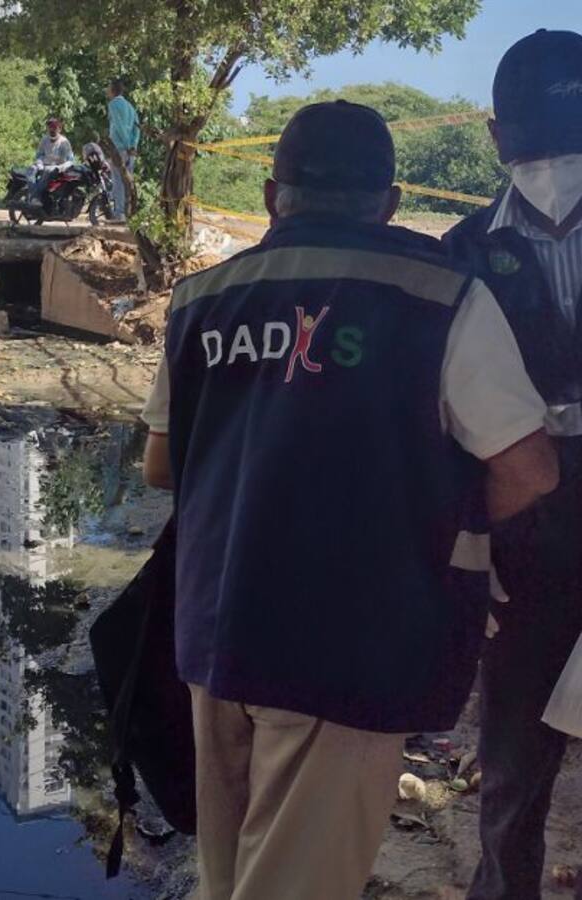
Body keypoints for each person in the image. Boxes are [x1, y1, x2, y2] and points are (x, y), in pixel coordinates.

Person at [140, 100, 559, 900]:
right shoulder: (440, 297)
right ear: (391, 202)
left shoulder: (202, 298)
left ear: (271, 197)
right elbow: (530, 470)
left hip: (215, 633)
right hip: (347, 645)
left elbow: (162, 467)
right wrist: (438, 530)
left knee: (230, 875)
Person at [442, 29, 582, 900]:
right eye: (537, 140)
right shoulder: (455, 257)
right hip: (519, 541)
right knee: (511, 776)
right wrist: (469, 546)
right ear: (496, 140)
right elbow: (437, 425)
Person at [106, 79, 140, 221]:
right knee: (128, 182)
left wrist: (126, 145)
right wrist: (133, 145)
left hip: (119, 148)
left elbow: (119, 126)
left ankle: (119, 213)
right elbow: (137, 128)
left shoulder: (113, 104)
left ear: (113, 90)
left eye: (108, 87)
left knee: (118, 181)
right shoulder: (130, 106)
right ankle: (129, 213)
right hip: (130, 150)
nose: (106, 90)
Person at [26, 117, 75, 211]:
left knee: (48, 171)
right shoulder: (44, 139)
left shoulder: (64, 142)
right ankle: (34, 197)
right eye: (50, 127)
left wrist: (59, 167)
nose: (52, 130)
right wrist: (39, 163)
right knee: (30, 170)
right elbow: (39, 154)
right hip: (43, 165)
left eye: (54, 127)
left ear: (59, 129)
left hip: (57, 168)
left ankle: (35, 197)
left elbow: (70, 160)